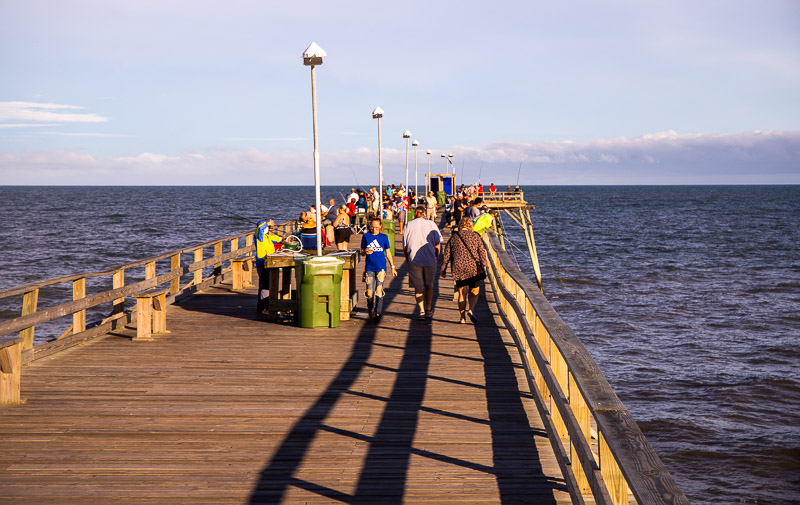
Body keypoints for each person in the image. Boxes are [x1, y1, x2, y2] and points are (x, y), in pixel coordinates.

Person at [441, 217, 488, 324]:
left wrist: (443, 269)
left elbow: (447, 254)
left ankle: (462, 318)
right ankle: (471, 310)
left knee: (462, 293)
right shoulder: (476, 236)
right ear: (470, 226)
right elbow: (482, 253)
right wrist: (484, 265)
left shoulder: (454, 237)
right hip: (473, 268)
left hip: (459, 268)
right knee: (474, 291)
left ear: (460, 226)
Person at [403, 207, 442, 320]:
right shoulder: (431, 224)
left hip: (414, 259)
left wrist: (407, 259)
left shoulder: (408, 225)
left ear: (416, 213)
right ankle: (429, 308)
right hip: (430, 259)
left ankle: (421, 310)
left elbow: (405, 246)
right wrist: (436, 257)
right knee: (429, 285)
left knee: (418, 287)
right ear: (424, 213)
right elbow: (437, 244)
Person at [361, 217, 396, 321]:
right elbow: (362, 252)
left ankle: (378, 312)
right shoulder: (366, 236)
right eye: (372, 226)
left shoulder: (384, 237)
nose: (374, 229)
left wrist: (392, 267)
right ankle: (371, 308)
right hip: (369, 267)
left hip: (381, 268)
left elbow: (388, 253)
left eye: (376, 227)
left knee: (379, 289)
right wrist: (365, 251)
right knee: (369, 292)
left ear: (380, 226)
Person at [254, 218, 276, 313]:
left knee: (266, 284)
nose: (268, 228)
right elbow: (261, 228)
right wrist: (267, 223)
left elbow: (275, 238)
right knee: (265, 285)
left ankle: (262, 306)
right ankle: (263, 307)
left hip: (268, 263)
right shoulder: (259, 236)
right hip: (262, 263)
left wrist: (283, 239)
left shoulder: (265, 236)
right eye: (267, 227)